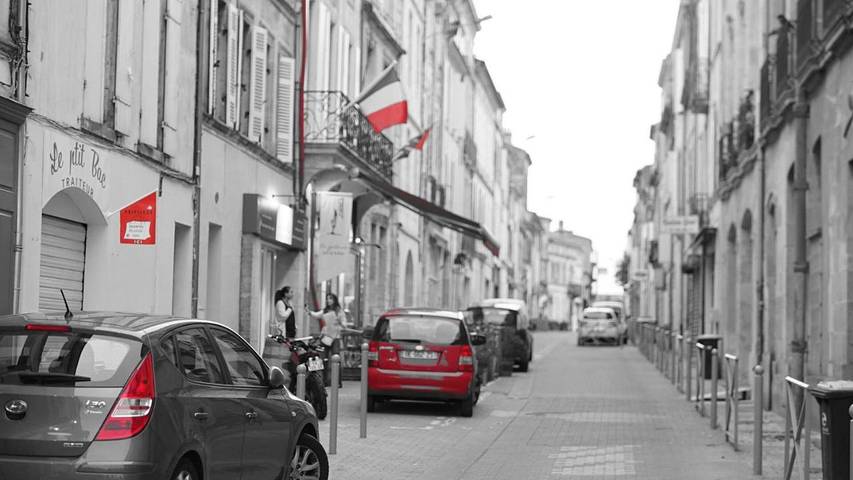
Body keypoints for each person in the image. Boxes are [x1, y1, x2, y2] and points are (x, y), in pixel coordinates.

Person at [309, 293, 345, 387]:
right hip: (326, 337)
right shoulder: (325, 310)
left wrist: (340, 322)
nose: (328, 300)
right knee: (323, 359)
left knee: (336, 359)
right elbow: (317, 315)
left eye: (330, 299)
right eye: (327, 299)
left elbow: (344, 324)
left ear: (334, 300)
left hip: (335, 337)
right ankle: (324, 381)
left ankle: (338, 382)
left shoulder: (339, 311)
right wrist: (309, 312)